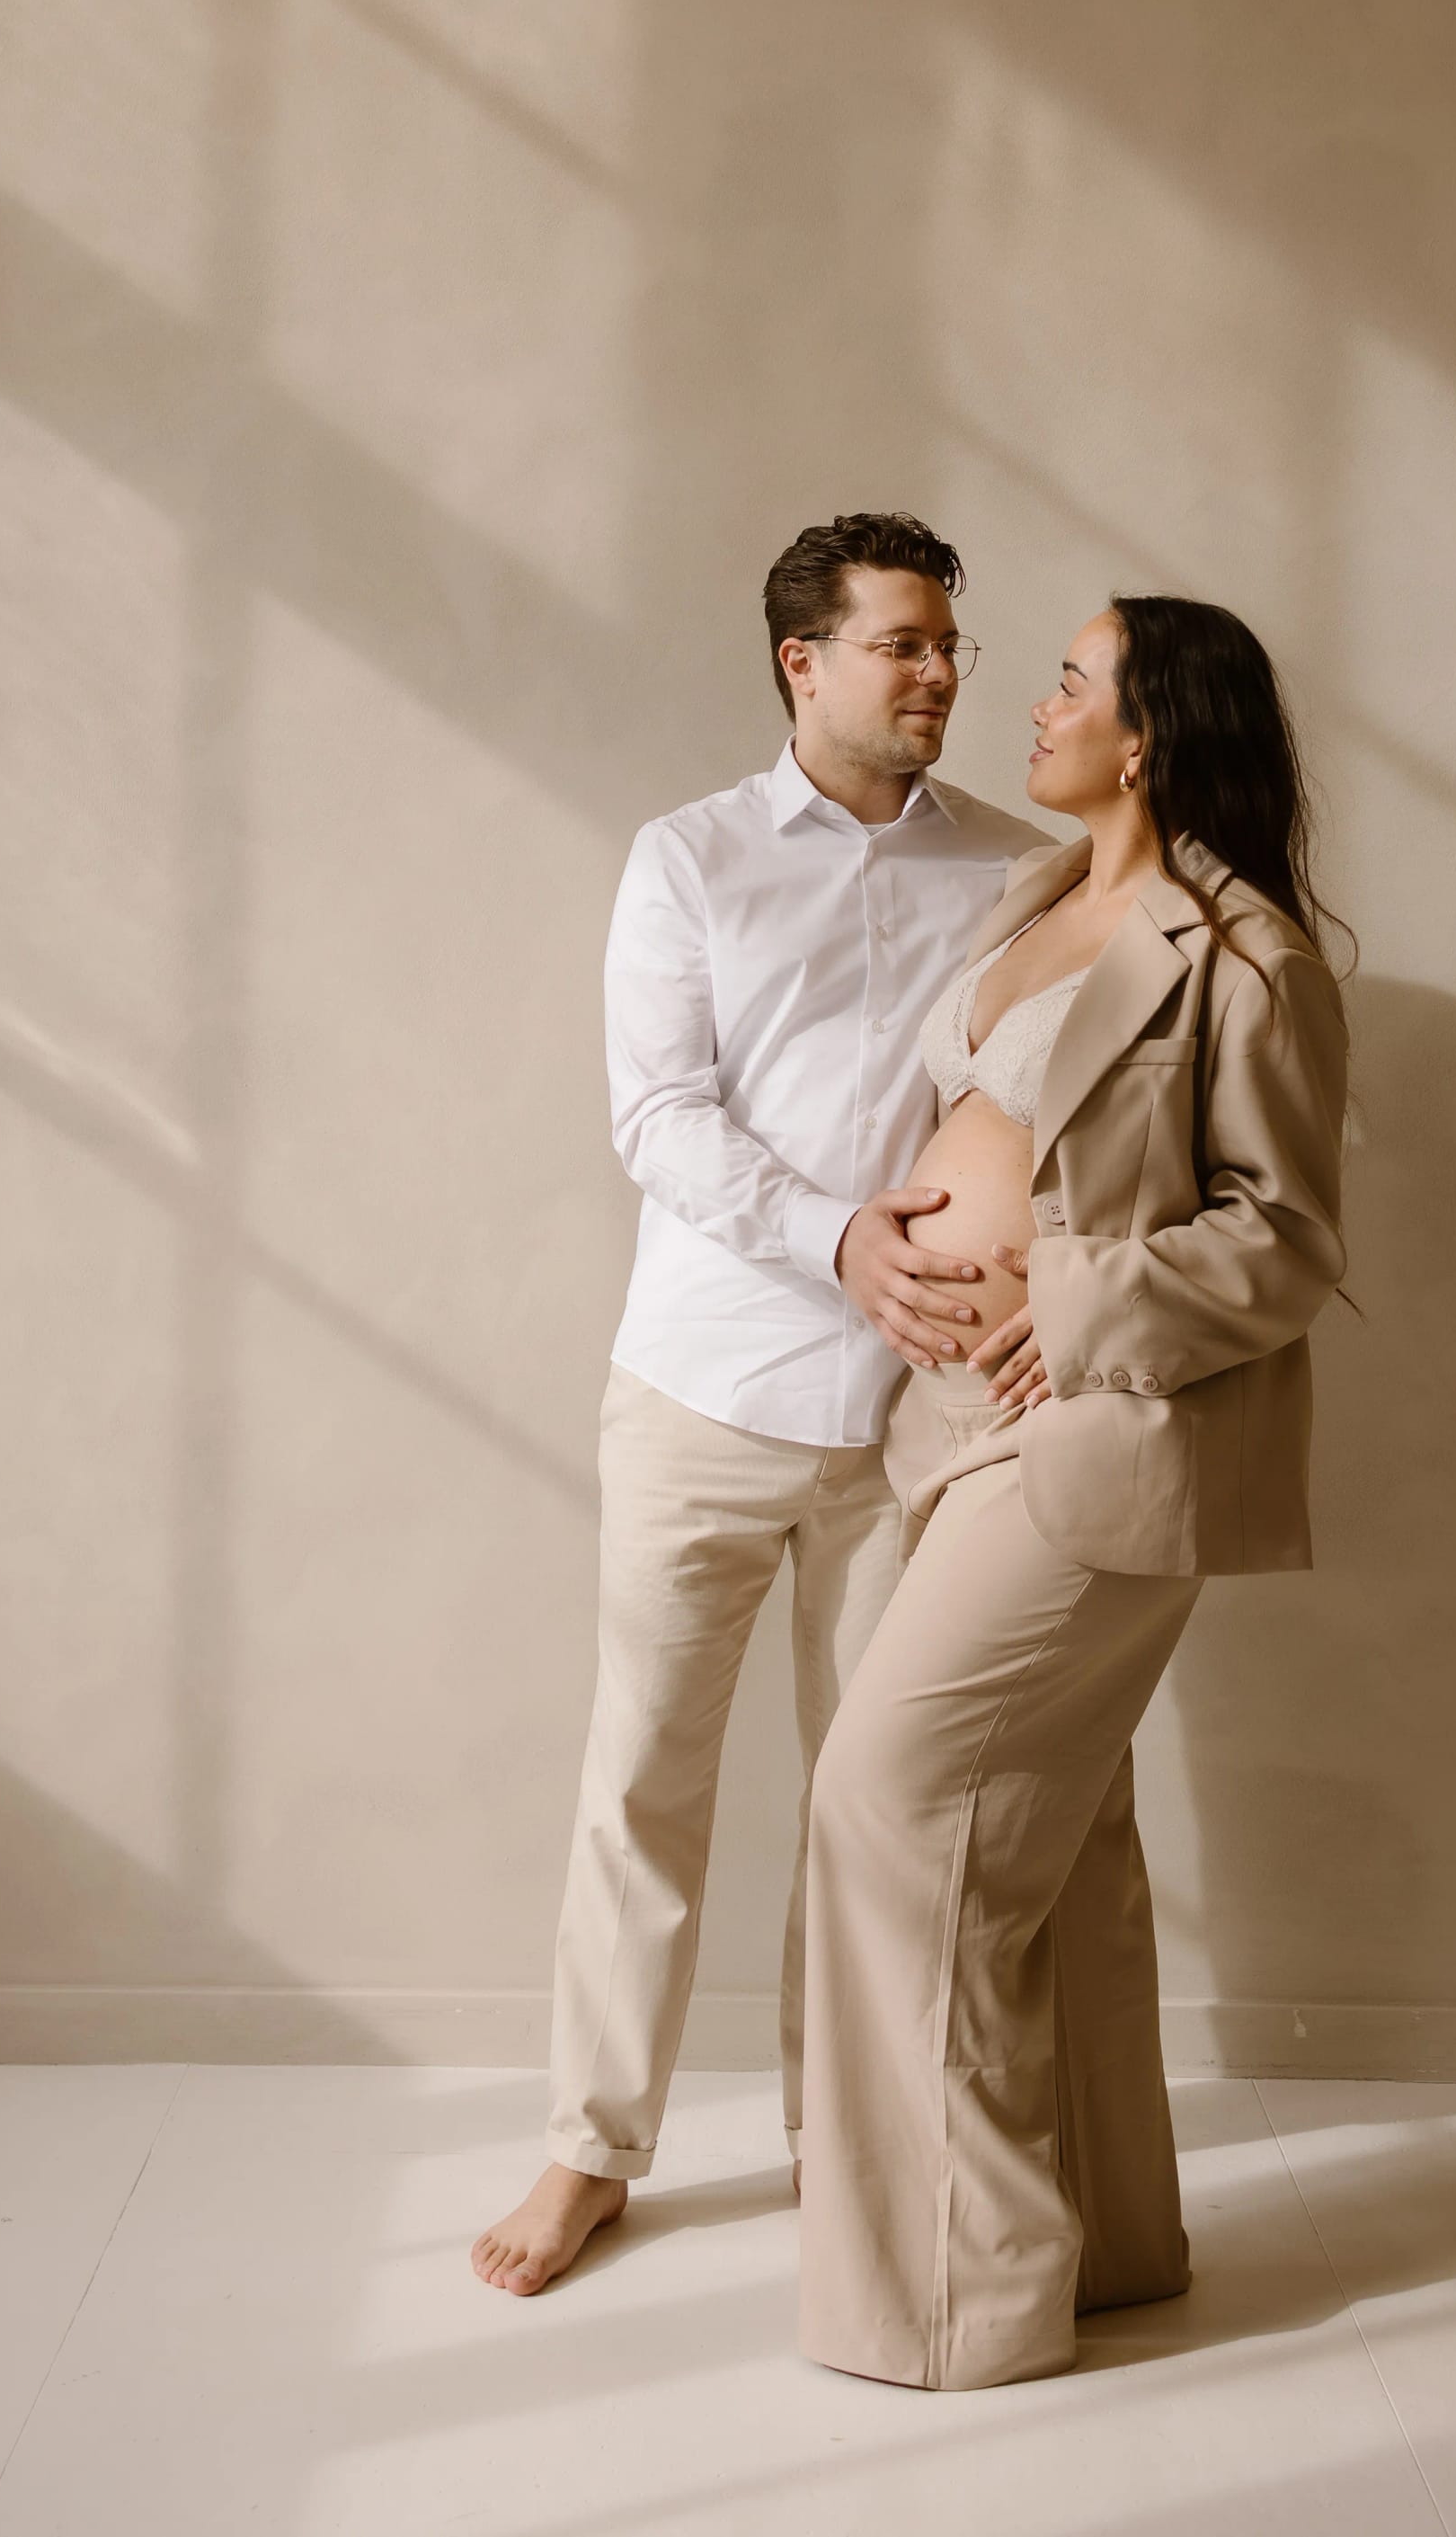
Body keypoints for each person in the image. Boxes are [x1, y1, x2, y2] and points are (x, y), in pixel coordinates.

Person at [472, 513, 1050, 2297]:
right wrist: (835, 1241)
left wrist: (1051, 1290)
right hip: (702, 1396)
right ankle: (589, 2150)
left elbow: (1069, 1103)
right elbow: (658, 1116)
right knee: (641, 1780)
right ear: (803, 661)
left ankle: (843, 2137)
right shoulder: (689, 860)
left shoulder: (1018, 873)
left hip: (914, 1419)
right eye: (901, 645)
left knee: (866, 1800)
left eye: (947, 642)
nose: (940, 673)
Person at [796, 593, 1350, 2391]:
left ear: (1147, 735)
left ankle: (961, 2297)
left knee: (892, 1803)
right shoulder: (1038, 901)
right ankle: (1108, 2249)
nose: (1022, 700)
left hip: (1098, 1429)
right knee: (1060, 1847)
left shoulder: (1247, 954)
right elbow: (982, 1132)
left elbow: (1280, 1240)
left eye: (1069, 680)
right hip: (946, 1425)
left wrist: (1070, 1295)